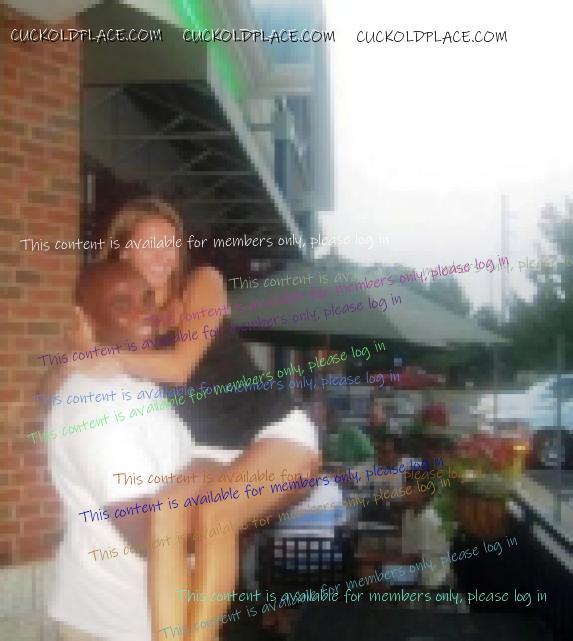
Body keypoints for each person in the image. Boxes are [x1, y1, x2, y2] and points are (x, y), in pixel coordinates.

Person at [68, 198, 320, 641]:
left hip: (272, 428)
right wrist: (82, 344)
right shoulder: (133, 316)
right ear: (123, 249)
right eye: (150, 244)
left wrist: (111, 356)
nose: (164, 255)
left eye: (171, 243)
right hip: (209, 449)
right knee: (165, 513)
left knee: (217, 512)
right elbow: (72, 369)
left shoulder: (202, 284)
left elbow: (181, 366)